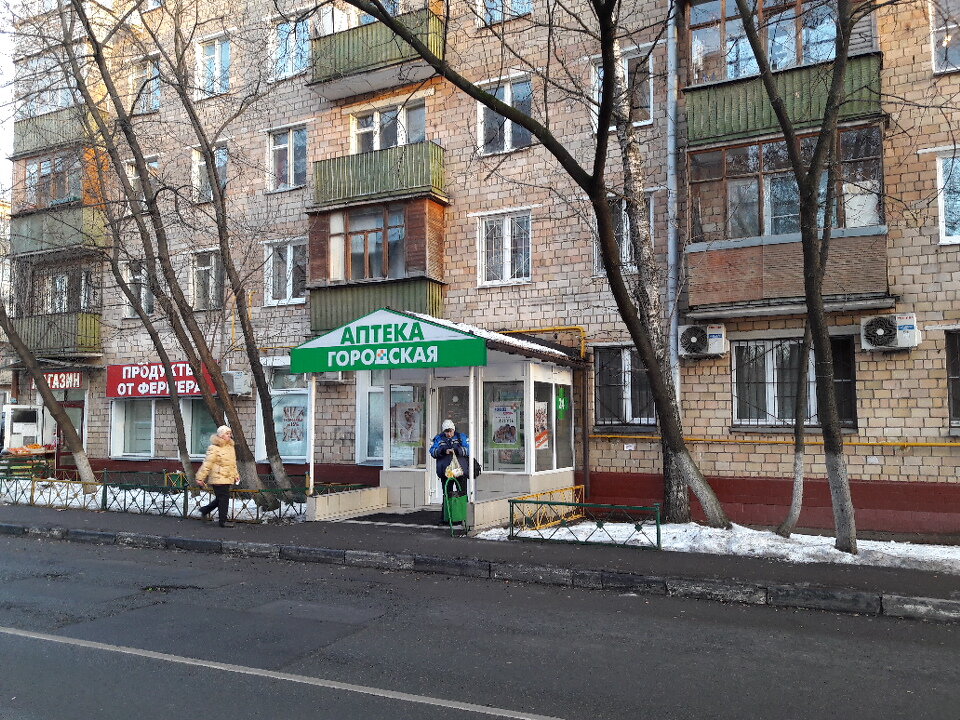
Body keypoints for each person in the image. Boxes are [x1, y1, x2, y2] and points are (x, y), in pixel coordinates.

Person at [196, 425, 239, 528]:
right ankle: (223, 521)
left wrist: (236, 475)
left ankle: (204, 510)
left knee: (221, 498)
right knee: (224, 499)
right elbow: (207, 464)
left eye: (230, 433)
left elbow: (232, 464)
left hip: (227, 477)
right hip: (218, 477)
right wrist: (200, 478)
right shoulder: (214, 448)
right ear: (221, 435)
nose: (229, 435)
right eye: (227, 434)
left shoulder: (230, 447)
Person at [429, 419, 469, 524]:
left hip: (460, 471)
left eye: (450, 431)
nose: (449, 434)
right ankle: (447, 518)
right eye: (446, 431)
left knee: (462, 494)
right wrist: (443, 451)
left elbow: (469, 449)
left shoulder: (461, 437)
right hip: (446, 472)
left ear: (454, 429)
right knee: (447, 494)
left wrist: (457, 450)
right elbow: (432, 451)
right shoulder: (438, 439)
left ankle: (462, 517)